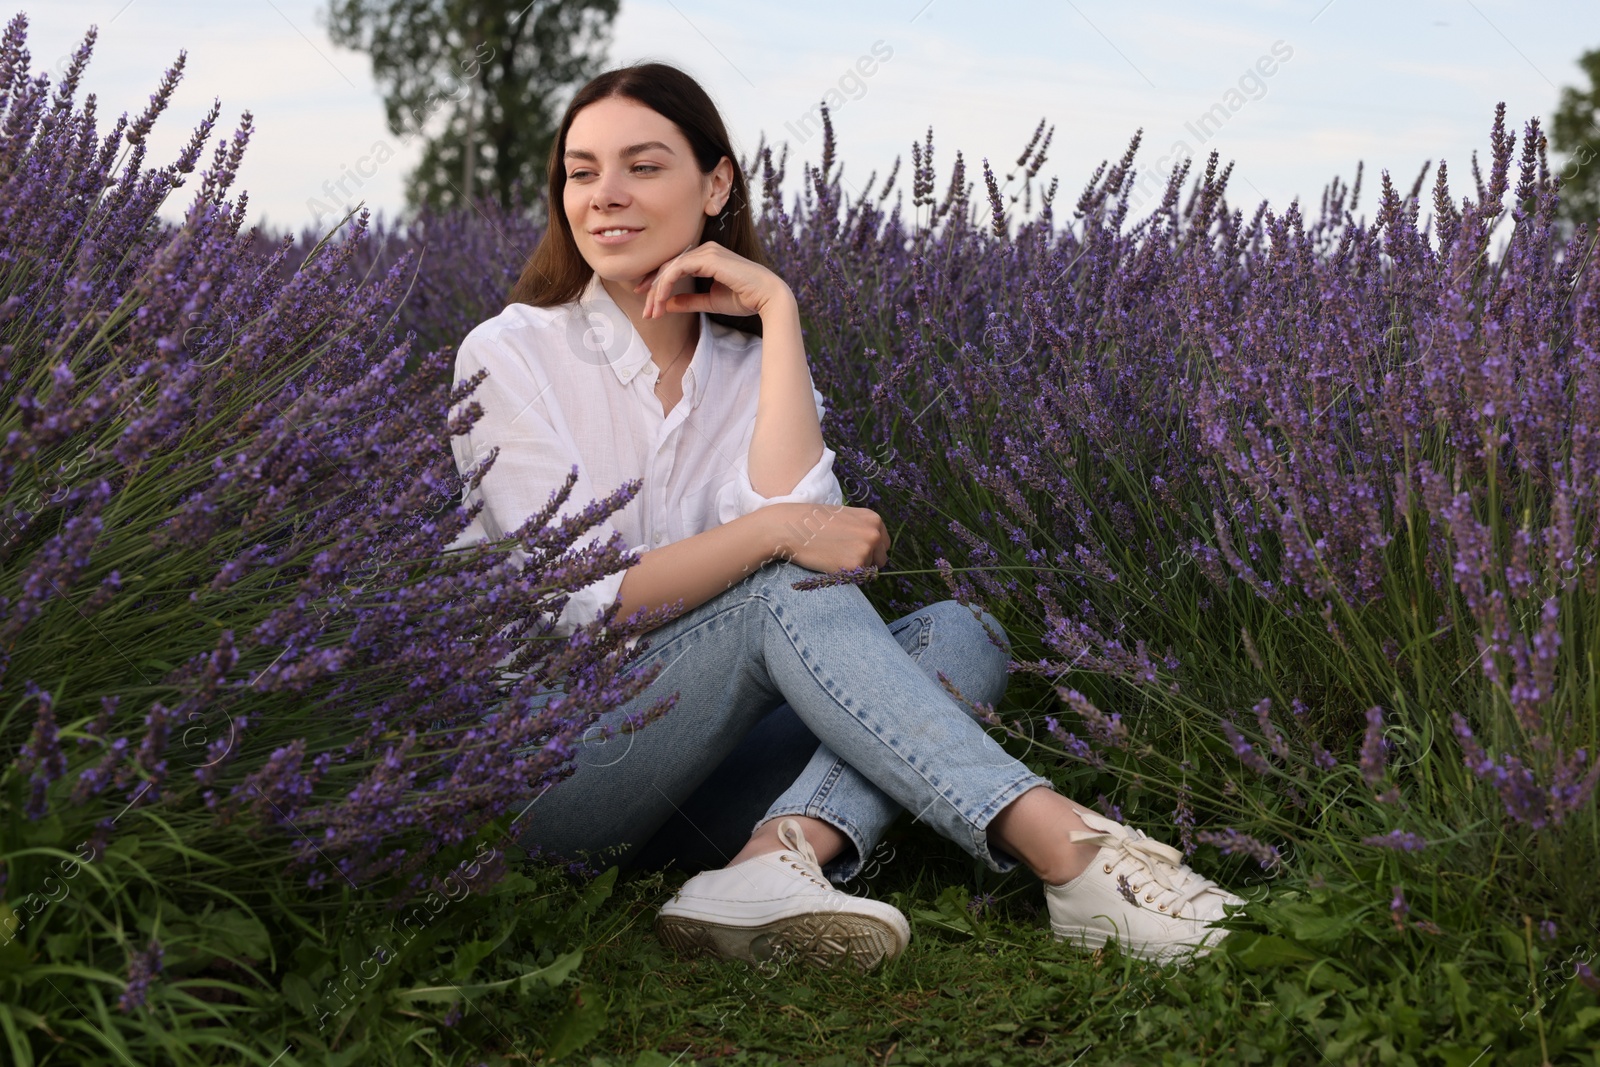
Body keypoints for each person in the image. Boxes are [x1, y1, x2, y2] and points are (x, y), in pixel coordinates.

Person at [446, 61, 1243, 972]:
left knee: (960, 629)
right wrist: (772, 535)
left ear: (715, 184)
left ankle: (768, 862)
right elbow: (593, 603)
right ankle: (1073, 851)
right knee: (774, 582)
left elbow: (817, 569)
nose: (606, 196)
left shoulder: (752, 368)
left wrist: (778, 313)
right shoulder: (509, 354)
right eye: (581, 172)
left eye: (643, 166)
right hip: (558, 777)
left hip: (712, 785)